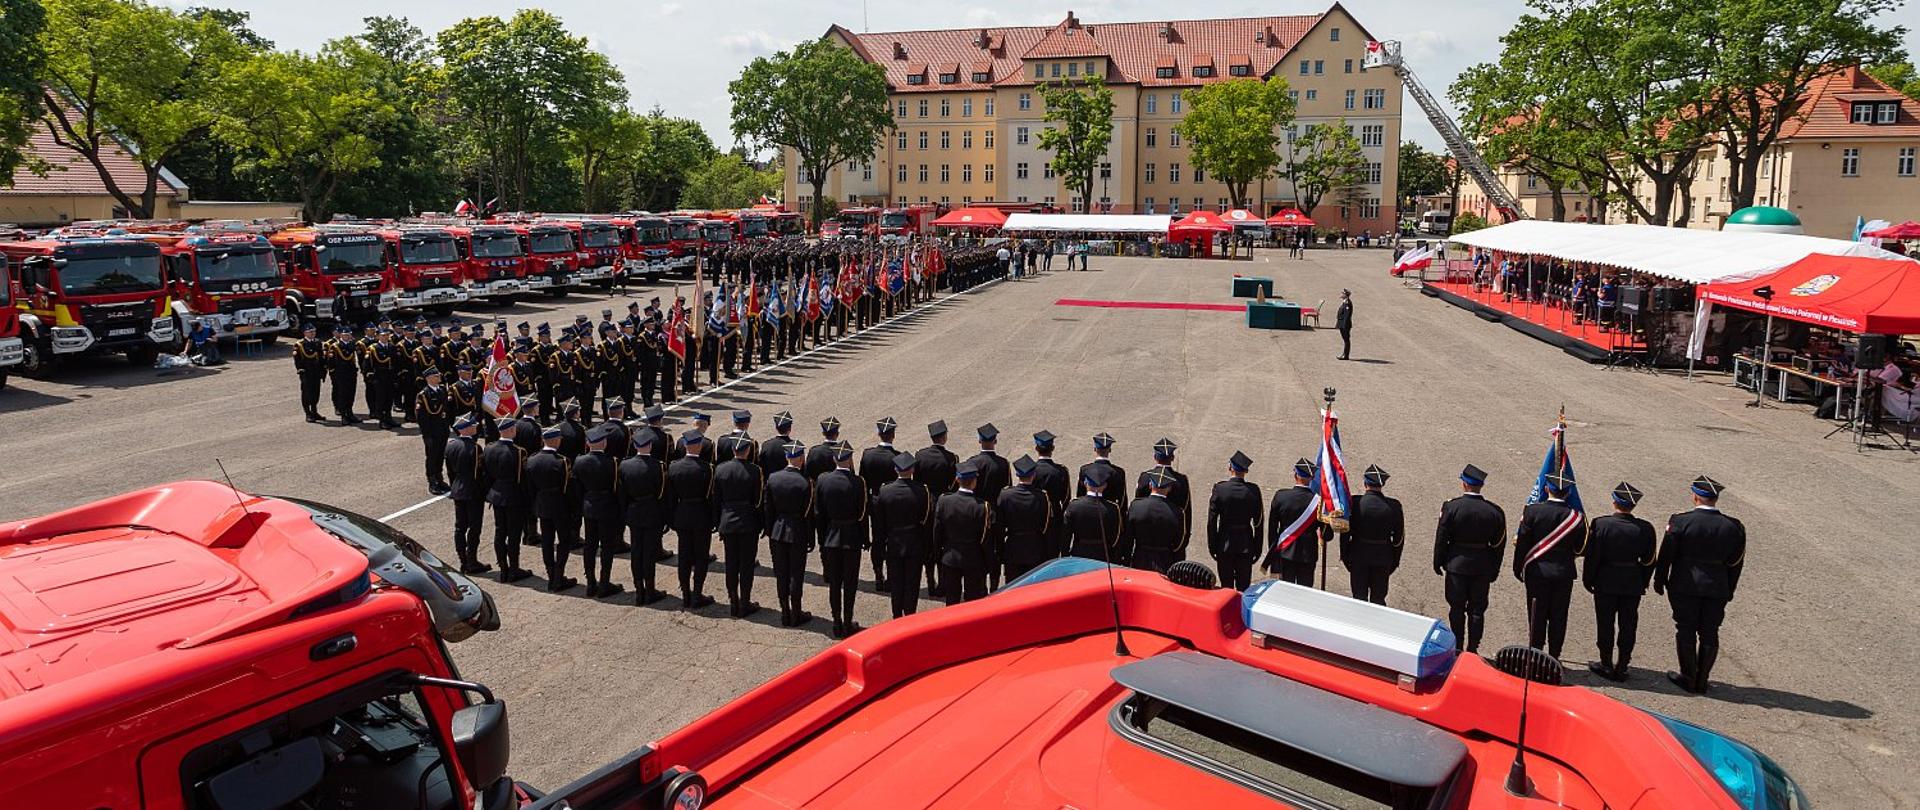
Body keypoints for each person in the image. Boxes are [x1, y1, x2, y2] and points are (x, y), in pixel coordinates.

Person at [1654, 476, 1745, 694]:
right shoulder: (1733, 526)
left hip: (1685, 584)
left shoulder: (1680, 521)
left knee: (1685, 628)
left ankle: (1688, 676)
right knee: (1710, 631)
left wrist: (1660, 578)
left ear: (1695, 496)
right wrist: (1729, 588)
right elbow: (1736, 562)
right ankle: (1702, 679)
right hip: (1717, 586)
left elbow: (1667, 554)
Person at [1582, 482, 1656, 681]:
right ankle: (1623, 664)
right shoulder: (1645, 528)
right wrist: (1643, 580)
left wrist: (1588, 579)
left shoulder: (1601, 524)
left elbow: (1593, 557)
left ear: (1614, 502)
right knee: (1628, 624)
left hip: (1605, 580)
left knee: (1605, 622)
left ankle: (1606, 663)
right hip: (1632, 582)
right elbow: (1649, 560)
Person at [1513, 471, 1586, 658]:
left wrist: (1518, 567)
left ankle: (1536, 655)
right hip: (1563, 573)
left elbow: (1523, 543)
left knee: (1536, 615)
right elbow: (1580, 548)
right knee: (1558, 616)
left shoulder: (1532, 511)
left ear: (1546, 489)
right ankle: (1555, 656)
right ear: (1568, 493)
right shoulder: (1576, 517)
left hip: (1537, 572)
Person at [1434, 464, 1505, 653]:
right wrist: (1494, 569)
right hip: (1482, 567)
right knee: (1477, 610)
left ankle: (1457, 647)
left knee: (1456, 608)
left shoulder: (1452, 506)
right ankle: (1473, 647)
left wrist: (1438, 561)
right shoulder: (1495, 511)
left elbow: (1442, 537)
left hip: (1456, 565)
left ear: (1464, 484)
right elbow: (1499, 544)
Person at [816, 440, 869, 638]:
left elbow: (819, 513)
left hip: (831, 536)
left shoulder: (823, 480)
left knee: (835, 583)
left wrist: (822, 538)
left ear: (833, 459)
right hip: (851, 537)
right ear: (850, 459)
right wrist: (865, 539)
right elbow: (862, 514)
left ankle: (836, 621)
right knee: (850, 583)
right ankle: (847, 621)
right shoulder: (858, 483)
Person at [872, 452, 932, 618]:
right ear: (912, 470)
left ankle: (896, 615)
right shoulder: (922, 491)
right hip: (914, 542)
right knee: (912, 584)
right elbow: (926, 521)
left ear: (895, 469)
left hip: (893, 542)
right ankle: (910, 616)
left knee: (896, 583)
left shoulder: (885, 491)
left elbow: (880, 523)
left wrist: (880, 545)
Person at [711, 435, 765, 617]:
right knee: (746, 565)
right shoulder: (755, 470)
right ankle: (744, 601)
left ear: (733, 450)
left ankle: (733, 601)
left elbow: (716, 499)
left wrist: (718, 522)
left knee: (731, 564)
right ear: (747, 450)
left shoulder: (720, 470)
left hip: (727, 521)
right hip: (748, 522)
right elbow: (758, 501)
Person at [765, 440, 815, 627]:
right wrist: (811, 538)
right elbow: (808, 514)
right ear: (801, 458)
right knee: (796, 574)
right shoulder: (805, 483)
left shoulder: (773, 478)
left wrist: (770, 530)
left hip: (778, 530)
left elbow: (768, 509)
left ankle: (785, 612)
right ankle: (796, 612)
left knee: (781, 574)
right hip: (797, 531)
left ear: (787, 457)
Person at [666, 431, 717, 610]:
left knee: (684, 556)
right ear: (700, 446)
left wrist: (672, 518)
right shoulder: (708, 468)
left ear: (685, 446)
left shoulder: (673, 467)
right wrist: (713, 519)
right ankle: (697, 594)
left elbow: (670, 498)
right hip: (701, 515)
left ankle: (686, 594)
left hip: (682, 515)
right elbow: (711, 498)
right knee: (701, 557)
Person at [1340, 464, 1404, 605]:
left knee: (1358, 598)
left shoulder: (1355, 503)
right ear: (1382, 484)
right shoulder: (1394, 506)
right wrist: (1394, 561)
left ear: (1365, 483)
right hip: (1383, 558)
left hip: (1358, 556)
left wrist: (1345, 555)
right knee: (1378, 599)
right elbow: (1398, 539)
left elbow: (1345, 533)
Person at [575, 426, 625, 598]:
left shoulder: (579, 461)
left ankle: (590, 582)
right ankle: (604, 583)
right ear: (604, 443)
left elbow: (577, 487)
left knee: (590, 545)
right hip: (607, 507)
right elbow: (617, 489)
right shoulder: (612, 462)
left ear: (588, 443)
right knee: (607, 547)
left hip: (589, 506)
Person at [527, 427, 579, 593]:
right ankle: (558, 575)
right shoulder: (561, 461)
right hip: (560, 506)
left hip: (542, 505)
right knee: (563, 541)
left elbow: (529, 487)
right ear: (556, 441)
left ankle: (551, 576)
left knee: (547, 542)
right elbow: (567, 487)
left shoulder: (532, 460)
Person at [619, 431, 669, 606]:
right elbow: (662, 494)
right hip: (651, 511)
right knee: (649, 553)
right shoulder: (658, 466)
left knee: (636, 552)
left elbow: (622, 494)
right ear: (651, 446)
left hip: (633, 511)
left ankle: (639, 590)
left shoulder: (625, 466)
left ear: (635, 446)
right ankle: (650, 589)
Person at [935, 462, 994, 605]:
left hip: (950, 556)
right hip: (973, 558)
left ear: (957, 479)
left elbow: (937, 531)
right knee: (972, 602)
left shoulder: (944, 501)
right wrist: (989, 562)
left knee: (951, 600)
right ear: (974, 482)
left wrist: (938, 553)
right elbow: (985, 538)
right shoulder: (982, 506)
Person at [483, 418, 533, 583]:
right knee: (513, 534)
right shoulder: (519, 452)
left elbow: (487, 474)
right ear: (512, 430)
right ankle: (513, 568)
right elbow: (522, 479)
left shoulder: (489, 448)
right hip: (513, 496)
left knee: (500, 531)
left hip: (496, 494)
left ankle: (503, 568)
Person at [1263, 459, 1327, 586]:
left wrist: (1274, 552)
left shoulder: (1281, 496)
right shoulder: (1319, 502)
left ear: (1295, 475)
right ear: (1312, 477)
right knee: (1304, 593)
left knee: (1285, 592)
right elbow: (1327, 535)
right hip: (1308, 554)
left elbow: (1272, 529)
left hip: (1285, 551)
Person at [914, 420, 959, 596]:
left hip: (925, 503)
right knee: (942, 543)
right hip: (943, 502)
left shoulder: (920, 455)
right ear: (944, 437)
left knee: (927, 542)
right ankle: (942, 582)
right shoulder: (951, 458)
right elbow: (953, 484)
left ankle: (930, 580)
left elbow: (916, 480)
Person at [1208, 451, 1263, 591]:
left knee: (1226, 587)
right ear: (1245, 471)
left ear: (1230, 467)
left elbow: (1212, 521)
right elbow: (1258, 523)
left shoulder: (1220, 489)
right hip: (1246, 544)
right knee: (1243, 589)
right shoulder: (1253, 490)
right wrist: (1257, 548)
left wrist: (1213, 546)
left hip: (1224, 543)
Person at [858, 417, 902, 592]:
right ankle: (891, 577)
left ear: (878, 434)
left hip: (875, 501)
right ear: (893, 435)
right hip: (892, 504)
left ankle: (878, 575)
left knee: (877, 539)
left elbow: (863, 481)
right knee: (891, 540)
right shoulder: (898, 457)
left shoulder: (868, 454)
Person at [964, 424, 1011, 588]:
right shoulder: (1003, 464)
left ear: (979, 441)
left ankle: (980, 584)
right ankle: (994, 584)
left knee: (978, 549)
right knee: (996, 551)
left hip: (976, 512)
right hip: (996, 514)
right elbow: (1007, 490)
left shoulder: (972, 462)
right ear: (995, 441)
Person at [997, 455, 1056, 581]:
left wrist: (1000, 551)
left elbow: (1000, 527)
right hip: (1036, 549)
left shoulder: (1005, 495)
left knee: (1013, 588)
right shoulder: (1042, 497)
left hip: (1013, 548)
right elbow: (1047, 527)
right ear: (1034, 475)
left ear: (1017, 475)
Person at [444, 416, 490, 575]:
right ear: (465, 428)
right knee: (474, 528)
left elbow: (450, 471)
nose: (476, 426)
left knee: (460, 527)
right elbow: (479, 473)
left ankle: (463, 560)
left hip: (458, 490)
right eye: (472, 425)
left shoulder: (450, 446)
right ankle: (471, 560)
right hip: (473, 492)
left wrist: (455, 487)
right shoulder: (475, 448)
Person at [1135, 439, 1191, 552]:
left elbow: (1137, 506)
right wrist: (1181, 545)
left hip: (1145, 537)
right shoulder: (1181, 480)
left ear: (1155, 457)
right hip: (1170, 539)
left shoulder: (1145, 477)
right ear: (1172, 458)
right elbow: (1186, 512)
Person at [1128, 467, 1184, 573]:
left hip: (1139, 559)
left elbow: (1128, 537)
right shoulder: (1177, 512)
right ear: (1169, 488)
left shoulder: (1136, 506)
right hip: (1165, 561)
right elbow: (1178, 543)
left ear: (1150, 485)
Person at [415, 367, 452, 495]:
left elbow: (446, 411)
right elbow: (422, 418)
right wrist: (426, 436)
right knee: (432, 457)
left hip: (442, 429)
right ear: (429, 378)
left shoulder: (442, 390)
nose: (439, 377)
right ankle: (432, 481)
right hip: (432, 432)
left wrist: (447, 427)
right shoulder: (423, 395)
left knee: (441, 455)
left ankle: (439, 478)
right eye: (436, 376)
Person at [1076, 433, 1128, 514]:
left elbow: (1080, 495)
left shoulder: (1085, 470)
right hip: (1109, 513)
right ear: (1110, 450)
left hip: (1087, 511)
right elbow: (1122, 500)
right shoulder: (1118, 472)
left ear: (1095, 449)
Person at [323, 323, 361, 424]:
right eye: (345, 335)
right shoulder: (335, 346)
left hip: (351, 372)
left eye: (349, 334)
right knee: (342, 394)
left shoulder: (352, 344)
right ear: (341, 335)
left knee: (351, 393)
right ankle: (344, 415)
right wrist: (333, 373)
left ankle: (350, 412)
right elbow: (331, 362)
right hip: (340, 373)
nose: (347, 336)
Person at [293, 322, 326, 422]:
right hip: (306, 372)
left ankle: (314, 411)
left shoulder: (318, 342)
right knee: (307, 392)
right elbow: (297, 359)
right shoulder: (299, 345)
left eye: (314, 332)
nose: (312, 334)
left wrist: (323, 370)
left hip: (316, 371)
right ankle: (308, 412)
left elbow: (321, 357)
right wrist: (300, 370)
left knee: (316, 392)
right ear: (305, 333)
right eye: (310, 332)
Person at [1335, 289, 1354, 361]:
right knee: (1345, 339)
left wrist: (1344, 325)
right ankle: (1344, 354)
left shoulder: (1348, 303)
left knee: (1346, 340)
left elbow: (1347, 315)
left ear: (1346, 295)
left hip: (1345, 325)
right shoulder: (1345, 302)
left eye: (1343, 293)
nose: (1341, 294)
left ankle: (1346, 355)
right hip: (1342, 324)